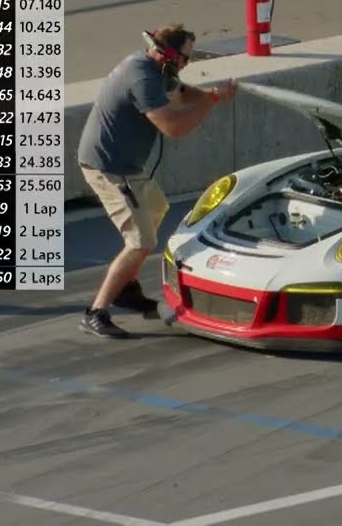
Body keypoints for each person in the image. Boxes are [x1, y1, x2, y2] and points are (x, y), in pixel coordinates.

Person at [76, 24, 237, 338]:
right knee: (141, 241)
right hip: (110, 168)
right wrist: (210, 103)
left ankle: (127, 290)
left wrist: (213, 95)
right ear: (168, 55)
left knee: (157, 208)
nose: (187, 63)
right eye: (186, 58)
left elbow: (181, 92)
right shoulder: (142, 77)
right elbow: (173, 127)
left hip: (126, 166)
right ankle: (96, 312)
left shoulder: (156, 68)